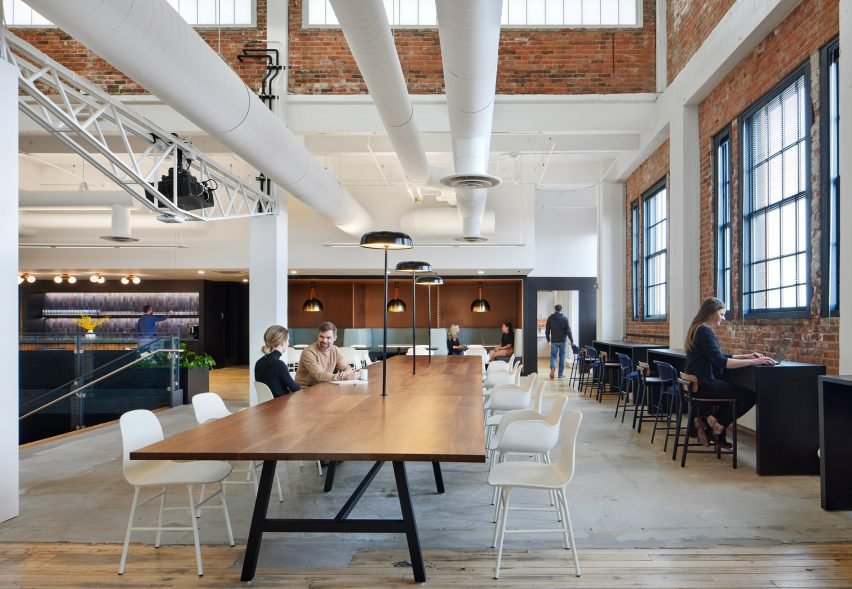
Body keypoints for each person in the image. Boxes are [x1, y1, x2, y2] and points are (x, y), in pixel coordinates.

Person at [684, 297, 775, 446]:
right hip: (705, 385)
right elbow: (720, 362)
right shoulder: (705, 331)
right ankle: (717, 428)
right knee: (750, 396)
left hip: (697, 384)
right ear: (712, 313)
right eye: (721, 314)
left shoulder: (697, 329)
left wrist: (746, 356)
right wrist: (754, 362)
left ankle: (712, 420)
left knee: (734, 393)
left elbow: (716, 356)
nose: (724, 318)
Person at [295, 321, 359, 387]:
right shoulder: (309, 352)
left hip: (323, 386)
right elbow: (319, 375)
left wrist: (346, 373)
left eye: (328, 338)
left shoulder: (335, 350)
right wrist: (344, 377)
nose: (324, 340)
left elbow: (346, 367)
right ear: (318, 336)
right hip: (305, 389)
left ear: (335, 338)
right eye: (321, 337)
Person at [254, 325, 301, 398]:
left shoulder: (259, 362)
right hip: (280, 406)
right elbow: (295, 388)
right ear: (282, 342)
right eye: (288, 340)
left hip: (264, 406)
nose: (288, 343)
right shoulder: (278, 364)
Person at [545, 304, 574, 380]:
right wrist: (571, 340)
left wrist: (548, 340)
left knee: (553, 356)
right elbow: (568, 331)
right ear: (561, 310)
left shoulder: (550, 318)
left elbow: (547, 330)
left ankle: (553, 368)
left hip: (554, 341)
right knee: (562, 357)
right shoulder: (564, 319)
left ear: (555, 309)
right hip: (562, 341)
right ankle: (560, 374)